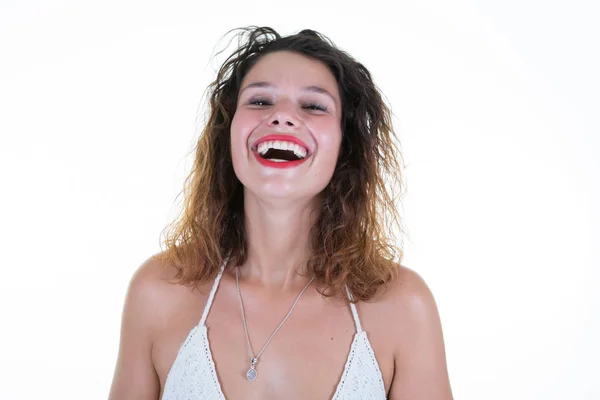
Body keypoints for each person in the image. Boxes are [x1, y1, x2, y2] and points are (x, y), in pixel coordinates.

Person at [108, 26, 454, 400]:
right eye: (259, 101)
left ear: (344, 144)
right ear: (228, 131)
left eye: (313, 105)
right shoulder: (158, 292)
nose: (282, 116)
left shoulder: (403, 307)